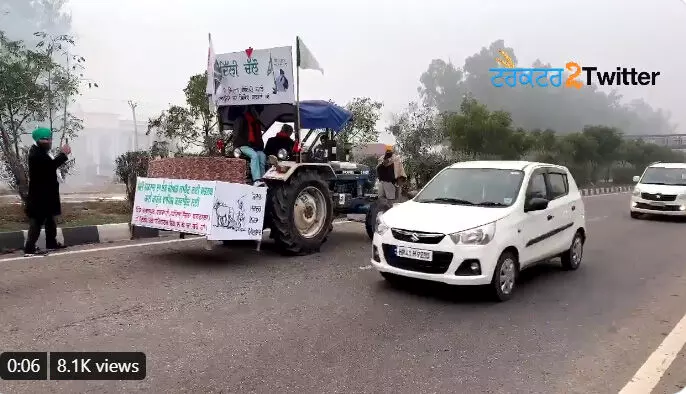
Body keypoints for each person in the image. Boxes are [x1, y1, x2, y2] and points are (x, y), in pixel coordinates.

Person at [24, 127, 71, 256]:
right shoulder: (35, 154)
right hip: (39, 195)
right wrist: (63, 154)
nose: (48, 141)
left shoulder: (43, 151)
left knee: (51, 219)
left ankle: (51, 243)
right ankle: (29, 247)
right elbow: (50, 166)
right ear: (38, 140)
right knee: (37, 221)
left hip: (48, 193)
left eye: (49, 138)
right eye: (45, 139)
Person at [233, 106, 266, 184]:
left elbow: (259, 138)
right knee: (254, 155)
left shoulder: (257, 122)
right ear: (252, 109)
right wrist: (236, 146)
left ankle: (263, 179)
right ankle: (256, 180)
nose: (258, 113)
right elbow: (236, 134)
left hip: (254, 147)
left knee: (262, 155)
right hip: (242, 145)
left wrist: (261, 147)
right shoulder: (241, 119)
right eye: (257, 111)